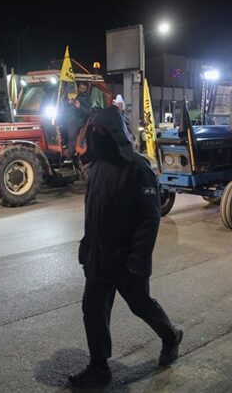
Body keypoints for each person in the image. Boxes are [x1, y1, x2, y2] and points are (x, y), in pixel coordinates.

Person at [69, 106, 183, 389]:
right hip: (99, 258)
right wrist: (87, 244)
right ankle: (99, 367)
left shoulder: (138, 169)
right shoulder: (96, 168)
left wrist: (139, 258)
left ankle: (170, 337)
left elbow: (149, 217)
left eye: (101, 133)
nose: (96, 139)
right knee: (92, 308)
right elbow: (93, 211)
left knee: (140, 305)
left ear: (114, 135)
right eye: (93, 133)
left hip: (126, 259)